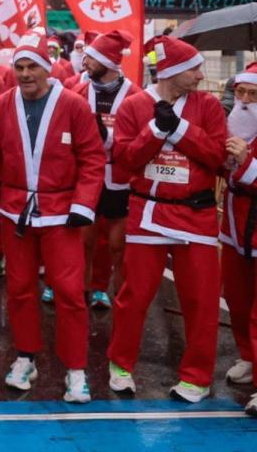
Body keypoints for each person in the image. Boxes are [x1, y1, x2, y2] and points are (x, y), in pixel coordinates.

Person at [0, 32, 105, 402]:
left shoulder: (74, 105)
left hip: (62, 214)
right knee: (18, 289)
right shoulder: (0, 107)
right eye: (20, 67)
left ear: (47, 69)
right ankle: (25, 357)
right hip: (15, 212)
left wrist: (83, 205)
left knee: (69, 292)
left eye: (33, 67)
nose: (26, 74)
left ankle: (76, 368)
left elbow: (92, 158)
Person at [108, 36, 227, 403]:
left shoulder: (207, 106)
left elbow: (217, 157)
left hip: (197, 214)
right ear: (172, 71)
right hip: (148, 212)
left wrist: (179, 129)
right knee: (134, 296)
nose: (200, 75)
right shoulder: (133, 106)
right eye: (193, 68)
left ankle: (196, 377)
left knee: (202, 301)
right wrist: (155, 131)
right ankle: (120, 365)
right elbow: (125, 161)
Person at [72, 30, 140, 309]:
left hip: (121, 179)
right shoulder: (78, 91)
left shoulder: (135, 96)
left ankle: (119, 302)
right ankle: (81, 294)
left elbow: (139, 144)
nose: (85, 62)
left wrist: (108, 138)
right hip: (88, 177)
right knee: (83, 242)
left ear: (108, 61)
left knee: (117, 246)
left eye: (91, 57)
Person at [220, 63, 257, 417]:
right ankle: (249, 356)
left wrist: (247, 161)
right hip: (234, 226)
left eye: (253, 95)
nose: (244, 101)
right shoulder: (235, 127)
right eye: (240, 93)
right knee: (237, 298)